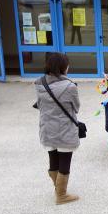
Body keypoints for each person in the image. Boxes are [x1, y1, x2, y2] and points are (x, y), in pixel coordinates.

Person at [35, 53, 80, 204]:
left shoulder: (40, 83)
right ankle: (61, 195)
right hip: (64, 129)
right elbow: (76, 107)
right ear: (63, 67)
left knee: (53, 159)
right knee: (64, 161)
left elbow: (40, 105)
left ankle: (58, 189)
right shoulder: (70, 86)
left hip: (47, 128)